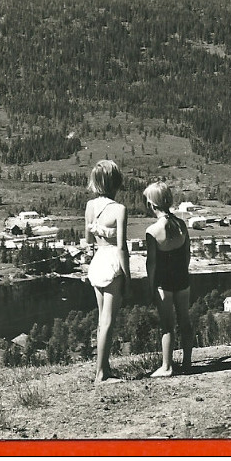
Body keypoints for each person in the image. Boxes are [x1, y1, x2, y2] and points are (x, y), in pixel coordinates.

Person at [142, 182, 194, 377]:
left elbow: (152, 264)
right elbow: (187, 255)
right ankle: (188, 362)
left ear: (151, 205)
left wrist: (151, 286)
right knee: (185, 321)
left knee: (167, 325)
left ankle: (167, 366)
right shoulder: (181, 225)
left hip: (164, 283)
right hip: (182, 279)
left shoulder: (153, 231)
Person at [85, 160, 130, 384]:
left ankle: (103, 367)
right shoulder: (119, 209)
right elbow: (122, 247)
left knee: (102, 319)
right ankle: (101, 374)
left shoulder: (90, 207)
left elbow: (88, 240)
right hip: (112, 261)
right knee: (109, 320)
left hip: (97, 260)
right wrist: (128, 276)